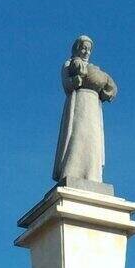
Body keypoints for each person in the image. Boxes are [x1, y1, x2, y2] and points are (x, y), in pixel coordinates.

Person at [52, 36, 117, 186]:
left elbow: (110, 88)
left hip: (94, 105)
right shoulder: (69, 64)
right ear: (77, 48)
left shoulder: (96, 70)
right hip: (79, 102)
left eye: (89, 49)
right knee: (77, 135)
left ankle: (92, 174)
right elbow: (66, 84)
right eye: (83, 48)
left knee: (93, 139)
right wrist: (75, 81)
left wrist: (107, 92)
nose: (86, 51)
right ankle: (71, 171)